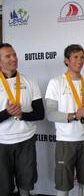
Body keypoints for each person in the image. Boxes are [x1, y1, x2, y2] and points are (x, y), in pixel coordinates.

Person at [45, 44, 84, 196]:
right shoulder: (56, 82)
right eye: (75, 57)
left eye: (82, 57)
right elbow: (51, 114)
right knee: (63, 185)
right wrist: (74, 115)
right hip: (65, 142)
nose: (79, 61)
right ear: (66, 60)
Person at [0, 43, 45, 196]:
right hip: (2, 142)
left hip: (26, 140)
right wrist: (6, 113)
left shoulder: (30, 81)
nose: (14, 58)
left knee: (26, 186)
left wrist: (22, 115)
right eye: (8, 56)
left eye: (14, 54)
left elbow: (40, 113)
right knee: (4, 188)